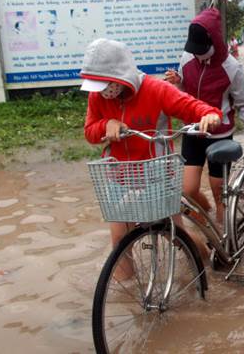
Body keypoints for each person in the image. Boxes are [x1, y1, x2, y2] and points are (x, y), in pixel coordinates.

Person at [82, 38, 223, 277]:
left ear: (121, 76)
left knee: (177, 236)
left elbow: (192, 107)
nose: (103, 90)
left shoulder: (156, 89)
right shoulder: (97, 96)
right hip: (119, 175)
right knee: (119, 239)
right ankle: (125, 298)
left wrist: (209, 114)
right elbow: (90, 132)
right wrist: (106, 125)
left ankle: (207, 264)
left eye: (107, 83)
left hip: (156, 175)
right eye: (97, 85)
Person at [164, 8, 244, 232]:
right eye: (196, 51)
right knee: (187, 189)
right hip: (193, 131)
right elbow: (186, 94)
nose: (199, 55)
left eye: (203, 51)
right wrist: (178, 84)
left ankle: (225, 238)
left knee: (218, 189)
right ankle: (206, 221)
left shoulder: (231, 68)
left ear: (215, 41)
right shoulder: (187, 58)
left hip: (219, 134)